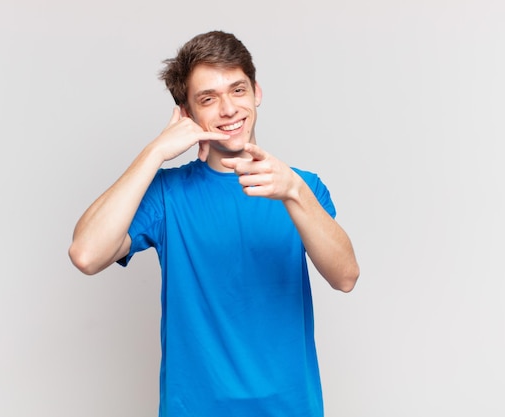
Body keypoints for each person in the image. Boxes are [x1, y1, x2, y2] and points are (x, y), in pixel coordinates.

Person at [69, 30, 359, 417]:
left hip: (291, 408)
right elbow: (86, 254)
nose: (228, 109)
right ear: (186, 115)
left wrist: (293, 191)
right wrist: (155, 151)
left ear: (256, 92)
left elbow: (345, 277)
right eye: (208, 99)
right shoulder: (167, 195)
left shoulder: (302, 187)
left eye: (237, 90)